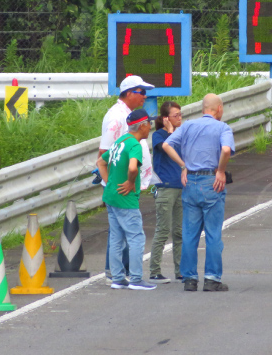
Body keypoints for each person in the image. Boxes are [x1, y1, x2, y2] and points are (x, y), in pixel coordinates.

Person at [162, 94, 234, 292]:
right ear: (218, 108)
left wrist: (183, 165)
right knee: (212, 233)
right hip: (212, 182)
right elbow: (226, 150)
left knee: (189, 233)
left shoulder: (187, 126)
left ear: (203, 108)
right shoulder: (222, 128)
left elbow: (167, 145)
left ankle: (189, 278)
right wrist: (220, 170)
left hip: (190, 181)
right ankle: (212, 278)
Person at [98, 75, 154, 282]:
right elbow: (104, 152)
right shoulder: (117, 117)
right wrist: (109, 182)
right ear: (129, 93)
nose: (145, 96)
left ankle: (119, 275)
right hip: (122, 188)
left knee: (119, 234)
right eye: (141, 92)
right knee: (128, 234)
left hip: (122, 186)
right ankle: (122, 274)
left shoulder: (129, 115)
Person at [148, 101, 184, 284]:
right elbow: (167, 149)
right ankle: (154, 270)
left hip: (180, 187)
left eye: (180, 114)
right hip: (165, 187)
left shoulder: (180, 134)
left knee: (179, 231)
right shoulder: (159, 135)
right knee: (163, 230)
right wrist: (170, 132)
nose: (179, 118)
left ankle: (180, 270)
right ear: (165, 118)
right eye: (175, 115)